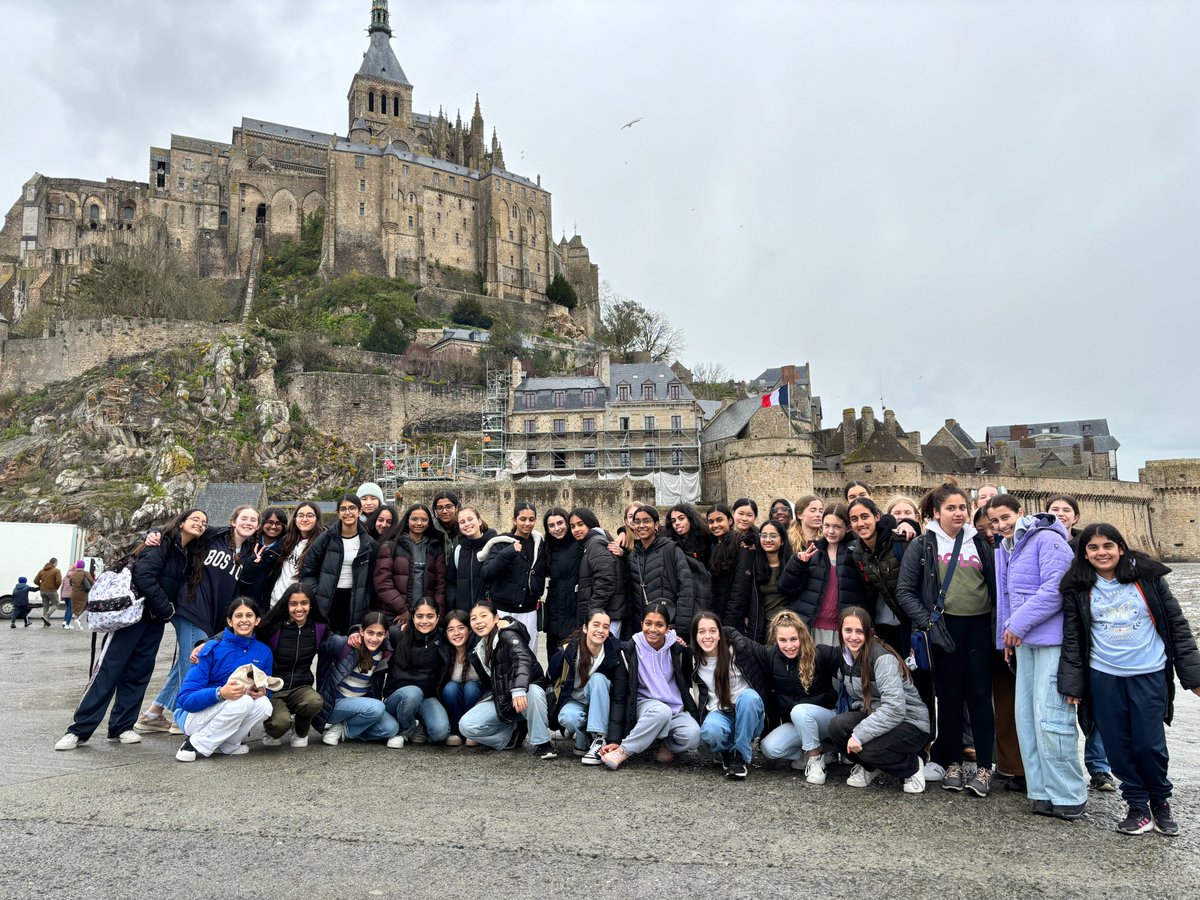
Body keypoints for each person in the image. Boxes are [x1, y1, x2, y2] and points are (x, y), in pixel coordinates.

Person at [1059, 524, 1200, 836]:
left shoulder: (1148, 578)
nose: (1101, 553)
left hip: (1148, 672)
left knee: (1149, 744)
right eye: (1093, 547)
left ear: (1120, 548)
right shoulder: (1078, 587)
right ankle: (1137, 806)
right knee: (1117, 745)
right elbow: (1073, 639)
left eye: (1107, 546)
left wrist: (1193, 675)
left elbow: (1177, 625)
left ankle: (1160, 802)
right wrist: (1073, 683)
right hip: (1103, 676)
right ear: (1085, 553)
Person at [56, 509, 208, 751]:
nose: (200, 523)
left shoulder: (189, 552)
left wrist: (163, 612)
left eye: (204, 522)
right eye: (195, 519)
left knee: (139, 673)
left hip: (154, 621)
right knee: (108, 670)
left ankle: (121, 727)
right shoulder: (162, 543)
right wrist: (165, 609)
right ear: (181, 523)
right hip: (132, 617)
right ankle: (78, 730)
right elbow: (143, 575)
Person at [897, 483, 997, 793]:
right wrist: (928, 623)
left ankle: (984, 767)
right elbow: (905, 591)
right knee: (949, 697)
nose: (958, 513)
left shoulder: (980, 541)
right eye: (951, 508)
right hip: (943, 628)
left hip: (980, 627)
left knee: (980, 696)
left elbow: (996, 585)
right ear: (936, 512)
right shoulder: (923, 545)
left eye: (962, 507)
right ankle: (951, 761)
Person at [987, 494, 1084, 811]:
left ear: (1021, 512)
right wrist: (1006, 638)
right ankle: (1041, 790)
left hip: (1051, 640)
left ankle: (1068, 794)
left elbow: (1056, 589)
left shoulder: (1047, 539)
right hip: (1024, 641)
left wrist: (1015, 625)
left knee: (1051, 717)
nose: (1001, 525)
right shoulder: (1007, 547)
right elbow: (1007, 595)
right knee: (1026, 718)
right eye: (995, 521)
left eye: (1005, 517)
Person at [137, 505, 258, 732]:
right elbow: (177, 528)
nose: (248, 523)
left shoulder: (249, 553)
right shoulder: (214, 535)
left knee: (186, 661)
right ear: (233, 521)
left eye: (253, 520)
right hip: (190, 605)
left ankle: (153, 714)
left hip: (211, 616)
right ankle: (183, 717)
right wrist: (153, 532)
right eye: (244, 518)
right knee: (197, 661)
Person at [1045, 493, 1115, 792]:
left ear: (1076, 517)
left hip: (1088, 634)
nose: (1060, 513)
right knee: (1060, 703)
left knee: (1095, 702)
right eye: (1054, 509)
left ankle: (1099, 767)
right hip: (1052, 635)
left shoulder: (1088, 547)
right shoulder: (1039, 543)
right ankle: (1063, 768)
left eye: (1066, 510)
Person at [828, 607, 930, 793]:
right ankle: (870, 768)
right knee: (837, 726)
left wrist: (860, 734)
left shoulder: (882, 658)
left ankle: (913, 766)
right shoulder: (845, 656)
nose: (853, 637)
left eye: (859, 631)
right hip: (877, 716)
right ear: (840, 631)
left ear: (869, 632)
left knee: (868, 749)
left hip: (910, 722)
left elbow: (895, 709)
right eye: (848, 630)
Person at [600, 601, 701, 769]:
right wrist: (614, 740)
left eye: (659, 625)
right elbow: (619, 697)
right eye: (648, 623)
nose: (653, 629)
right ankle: (623, 751)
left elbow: (688, 680)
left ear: (667, 628)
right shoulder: (630, 650)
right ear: (641, 624)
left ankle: (665, 746)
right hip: (644, 705)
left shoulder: (677, 650)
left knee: (694, 735)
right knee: (660, 711)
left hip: (673, 708)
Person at [173, 598, 275, 762]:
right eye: (238, 616)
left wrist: (263, 692)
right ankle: (193, 744)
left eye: (249, 615)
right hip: (193, 717)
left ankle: (228, 744)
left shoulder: (264, 652)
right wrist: (220, 693)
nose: (244, 620)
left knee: (264, 704)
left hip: (231, 711)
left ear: (257, 620)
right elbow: (185, 699)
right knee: (243, 701)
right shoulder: (210, 649)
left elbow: (267, 689)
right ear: (229, 621)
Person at [458, 601, 555, 758]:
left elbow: (523, 659)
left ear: (496, 618)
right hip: (504, 699)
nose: (478, 622)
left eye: (483, 616)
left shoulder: (508, 634)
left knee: (534, 692)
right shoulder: (479, 649)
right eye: (473, 619)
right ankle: (512, 734)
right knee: (467, 726)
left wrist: (518, 689)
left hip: (525, 692)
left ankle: (543, 742)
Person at [758, 610, 841, 783]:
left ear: (802, 636)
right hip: (798, 722)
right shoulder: (771, 656)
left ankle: (815, 761)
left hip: (828, 719)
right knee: (769, 749)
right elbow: (745, 645)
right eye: (783, 640)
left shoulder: (820, 653)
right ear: (775, 639)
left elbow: (849, 660)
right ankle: (824, 752)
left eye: (793, 639)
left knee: (800, 710)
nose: (789, 645)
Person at [691, 612, 768, 779]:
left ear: (720, 634)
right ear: (695, 636)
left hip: (747, 712)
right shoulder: (694, 659)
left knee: (750, 697)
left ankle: (739, 756)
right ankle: (726, 752)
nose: (707, 636)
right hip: (719, 712)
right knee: (710, 731)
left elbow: (768, 654)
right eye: (701, 631)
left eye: (712, 631)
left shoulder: (738, 649)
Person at [779, 504, 863, 646]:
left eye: (837, 527)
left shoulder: (856, 552)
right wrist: (798, 564)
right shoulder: (812, 552)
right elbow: (786, 589)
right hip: (811, 627)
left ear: (848, 528)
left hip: (843, 630)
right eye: (827, 525)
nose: (830, 531)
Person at [256, 583, 328, 748]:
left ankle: (301, 731)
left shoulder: (319, 628)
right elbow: (241, 634)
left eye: (304, 603)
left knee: (314, 701)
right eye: (293, 604)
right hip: (274, 688)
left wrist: (355, 633)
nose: (299, 608)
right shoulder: (273, 626)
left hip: (301, 687)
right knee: (280, 724)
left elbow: (337, 642)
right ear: (286, 605)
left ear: (311, 605)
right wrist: (207, 642)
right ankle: (272, 730)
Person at [548, 608, 621, 763]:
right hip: (576, 701)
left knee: (598, 679)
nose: (600, 630)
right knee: (568, 717)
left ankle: (599, 739)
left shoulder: (615, 650)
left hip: (601, 704)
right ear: (585, 628)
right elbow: (550, 678)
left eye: (605, 627)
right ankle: (584, 738)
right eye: (596, 625)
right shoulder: (568, 651)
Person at [315, 611, 398, 745]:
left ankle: (344, 729)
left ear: (386, 634)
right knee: (377, 707)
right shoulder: (346, 645)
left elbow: (400, 631)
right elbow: (322, 639)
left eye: (379, 634)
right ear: (362, 631)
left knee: (391, 729)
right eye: (370, 633)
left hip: (363, 705)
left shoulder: (384, 654)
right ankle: (341, 723)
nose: (374, 639)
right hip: (335, 704)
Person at [299, 494, 377, 635]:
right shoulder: (326, 538)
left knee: (350, 641)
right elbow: (308, 570)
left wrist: (365, 600)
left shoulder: (369, 543)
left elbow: (372, 579)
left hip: (355, 600)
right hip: (327, 599)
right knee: (324, 640)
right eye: (343, 509)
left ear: (360, 511)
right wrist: (317, 593)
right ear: (338, 513)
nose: (348, 512)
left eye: (352, 508)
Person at [382, 597, 451, 747]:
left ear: (438, 617)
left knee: (440, 733)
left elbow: (467, 633)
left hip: (427, 697)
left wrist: (503, 623)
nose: (424, 621)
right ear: (412, 617)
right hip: (397, 697)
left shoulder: (443, 638)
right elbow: (372, 629)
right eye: (419, 616)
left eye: (430, 616)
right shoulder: (397, 634)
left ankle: (418, 724)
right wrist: (354, 631)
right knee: (413, 692)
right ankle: (404, 730)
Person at [478, 502, 546, 648]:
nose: (527, 523)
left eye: (531, 519)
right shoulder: (501, 543)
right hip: (503, 610)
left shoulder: (539, 545)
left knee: (528, 653)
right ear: (514, 520)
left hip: (529, 610)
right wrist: (508, 552)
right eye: (523, 519)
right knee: (502, 652)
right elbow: (486, 573)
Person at [626, 505, 695, 637]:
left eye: (646, 521)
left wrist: (681, 630)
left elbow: (686, 588)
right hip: (642, 629)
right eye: (637, 522)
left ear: (656, 525)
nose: (641, 525)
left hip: (669, 626)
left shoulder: (671, 550)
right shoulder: (633, 556)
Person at [374, 502, 447, 623]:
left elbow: (440, 585)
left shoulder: (435, 549)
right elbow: (382, 582)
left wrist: (435, 612)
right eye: (414, 519)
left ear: (429, 523)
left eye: (424, 520)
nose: (419, 523)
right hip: (396, 614)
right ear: (407, 521)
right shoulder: (390, 546)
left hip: (426, 616)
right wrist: (402, 610)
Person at [729, 520, 795, 641]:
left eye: (773, 536)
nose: (767, 540)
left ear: (782, 541)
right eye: (763, 536)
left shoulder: (792, 565)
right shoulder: (754, 565)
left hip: (786, 625)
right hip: (760, 625)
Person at [570, 508, 624, 635]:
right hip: (605, 615)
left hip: (605, 617)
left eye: (580, 524)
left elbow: (606, 582)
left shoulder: (595, 544)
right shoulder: (591, 543)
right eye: (572, 526)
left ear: (590, 523)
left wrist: (591, 613)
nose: (576, 529)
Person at [542, 507, 584, 660]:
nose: (557, 528)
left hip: (574, 610)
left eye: (560, 523)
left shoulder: (580, 544)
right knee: (554, 659)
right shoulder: (547, 547)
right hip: (554, 612)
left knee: (572, 661)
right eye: (551, 525)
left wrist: (621, 532)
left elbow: (596, 534)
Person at [268, 501, 324, 608]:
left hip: (299, 606)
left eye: (310, 515)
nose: (304, 519)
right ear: (295, 519)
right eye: (300, 515)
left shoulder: (321, 546)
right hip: (275, 602)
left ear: (317, 519)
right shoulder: (287, 541)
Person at [440, 608, 481, 746]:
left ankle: (472, 731)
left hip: (477, 698)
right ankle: (456, 731)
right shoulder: (445, 651)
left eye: (461, 628)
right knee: (450, 687)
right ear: (446, 634)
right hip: (455, 702)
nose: (456, 633)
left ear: (469, 630)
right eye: (451, 630)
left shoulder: (478, 648)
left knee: (471, 687)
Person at [446, 506, 497, 610]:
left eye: (470, 519)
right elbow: (451, 583)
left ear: (479, 521)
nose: (467, 524)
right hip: (463, 613)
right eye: (462, 522)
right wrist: (454, 605)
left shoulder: (494, 546)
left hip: (487, 611)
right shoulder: (458, 551)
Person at [237, 506, 286, 610]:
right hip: (240, 595)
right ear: (262, 523)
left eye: (278, 523)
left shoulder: (285, 549)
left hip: (265, 602)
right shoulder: (248, 540)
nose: (273, 526)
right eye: (269, 522)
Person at [667, 503, 716, 567]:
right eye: (673, 521)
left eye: (681, 518)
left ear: (690, 519)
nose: (677, 523)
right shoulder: (670, 542)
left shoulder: (707, 538)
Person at [431, 490, 461, 558]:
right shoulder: (430, 531)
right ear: (435, 510)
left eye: (449, 507)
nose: (444, 511)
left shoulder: (465, 530)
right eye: (440, 508)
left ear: (456, 508)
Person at [65, 560, 94, 630]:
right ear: (83, 566)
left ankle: (78, 626)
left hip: (74, 594)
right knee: (88, 607)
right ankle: (79, 619)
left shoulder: (72, 574)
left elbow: (71, 584)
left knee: (76, 608)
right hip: (83, 594)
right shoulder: (85, 573)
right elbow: (92, 582)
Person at [34, 557, 63, 626]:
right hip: (51, 591)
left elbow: (35, 581)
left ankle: (45, 624)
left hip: (42, 591)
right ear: (55, 563)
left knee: (45, 607)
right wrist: (56, 587)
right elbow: (59, 581)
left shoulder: (42, 571)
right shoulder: (56, 571)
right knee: (56, 604)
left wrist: (41, 585)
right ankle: (46, 615)